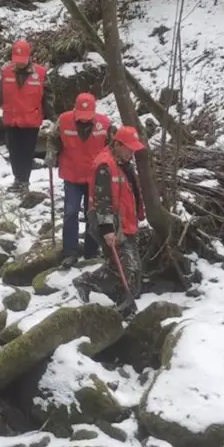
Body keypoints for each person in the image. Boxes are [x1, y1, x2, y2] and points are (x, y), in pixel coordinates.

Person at [73, 126, 147, 315]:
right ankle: (125, 308)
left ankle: (90, 283)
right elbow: (102, 200)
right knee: (125, 267)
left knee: (130, 268)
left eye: (133, 149)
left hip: (125, 223)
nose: (132, 152)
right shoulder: (105, 165)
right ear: (117, 144)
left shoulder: (123, 162)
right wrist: (107, 230)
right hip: (109, 224)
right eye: (129, 148)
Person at [45, 93, 113, 267]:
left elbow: (113, 147)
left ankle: (91, 252)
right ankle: (70, 252)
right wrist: (51, 154)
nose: (84, 121)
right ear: (75, 109)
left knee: (92, 215)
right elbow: (53, 140)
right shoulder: (64, 120)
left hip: (94, 177)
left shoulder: (105, 124)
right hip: (72, 175)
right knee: (70, 212)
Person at [0, 39, 55, 192]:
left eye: (22, 61)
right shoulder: (6, 72)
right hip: (11, 119)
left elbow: (48, 97)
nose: (19, 64)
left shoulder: (40, 73)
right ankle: (18, 179)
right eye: (16, 61)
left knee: (26, 152)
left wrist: (53, 117)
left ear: (28, 57)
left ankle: (23, 181)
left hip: (31, 120)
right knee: (13, 151)